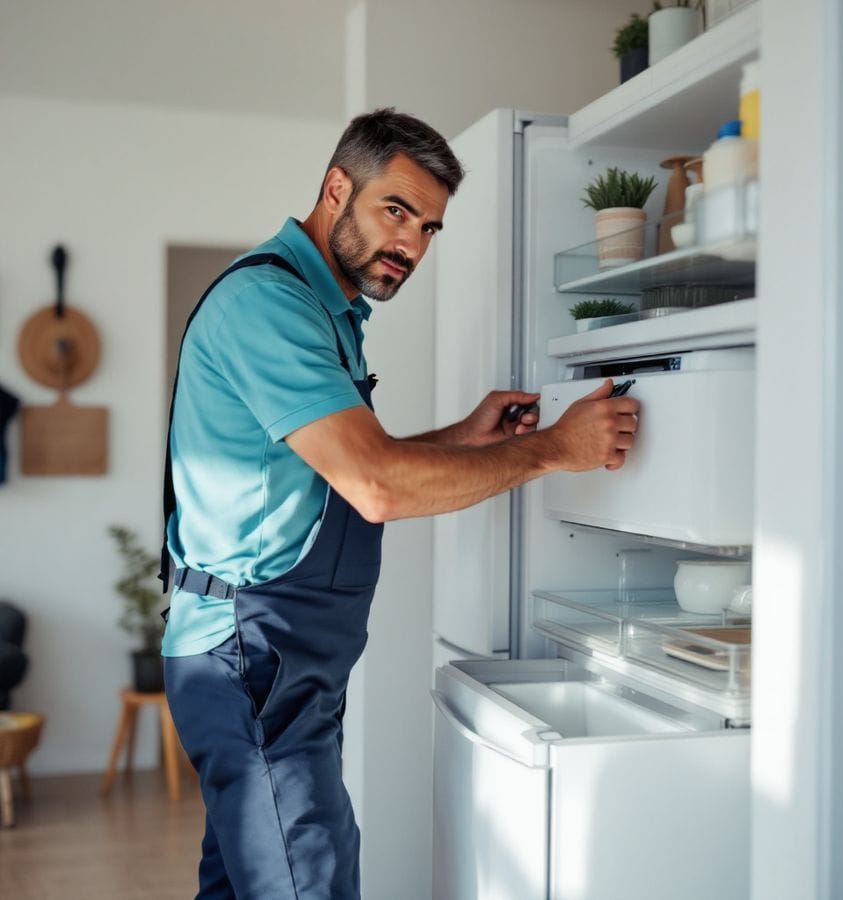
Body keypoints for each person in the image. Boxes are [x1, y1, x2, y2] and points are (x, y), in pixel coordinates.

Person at [161, 107, 639, 900]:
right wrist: (559, 449)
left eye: (430, 228)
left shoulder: (328, 308)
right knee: (306, 880)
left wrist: (465, 437)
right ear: (336, 187)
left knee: (246, 882)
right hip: (250, 661)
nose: (412, 246)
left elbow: (333, 471)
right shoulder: (270, 308)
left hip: (282, 664)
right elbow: (375, 486)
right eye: (397, 211)